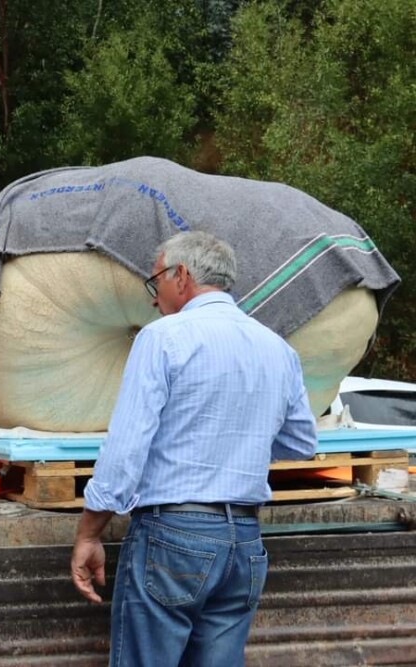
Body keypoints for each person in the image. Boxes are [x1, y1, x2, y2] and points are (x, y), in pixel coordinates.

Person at [70, 231, 317, 666]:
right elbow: (300, 442)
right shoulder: (277, 348)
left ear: (180, 275)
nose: (153, 298)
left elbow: (125, 451)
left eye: (155, 282)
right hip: (244, 540)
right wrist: (240, 438)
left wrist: (90, 532)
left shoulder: (163, 337)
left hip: (173, 535)